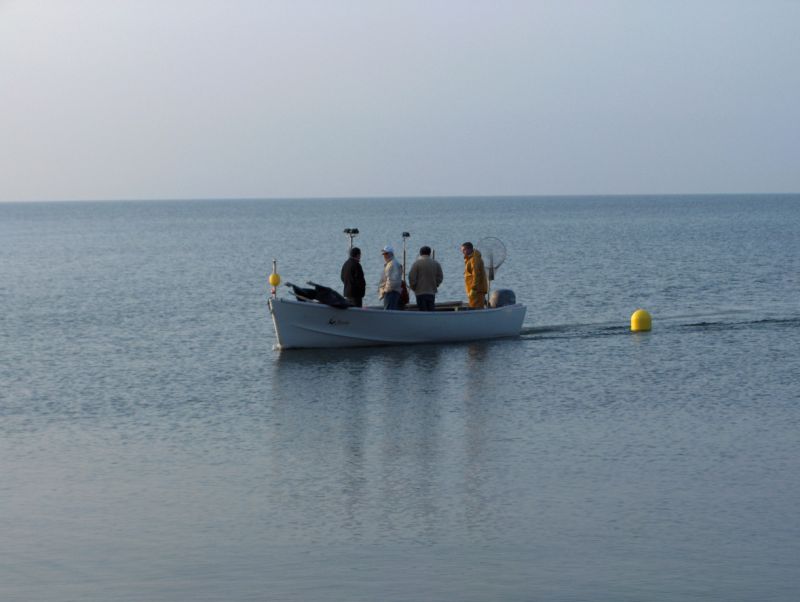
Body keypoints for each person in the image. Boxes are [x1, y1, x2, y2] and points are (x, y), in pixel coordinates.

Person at [408, 245, 443, 311]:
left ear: (420, 253)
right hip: (431, 292)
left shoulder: (416, 264)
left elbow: (411, 278)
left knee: (423, 312)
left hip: (420, 292)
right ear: (430, 253)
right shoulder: (436, 263)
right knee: (431, 311)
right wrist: (436, 284)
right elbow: (440, 277)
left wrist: (414, 288)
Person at [461, 241, 487, 308]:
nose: (462, 252)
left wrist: (474, 289)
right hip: (474, 291)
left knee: (476, 308)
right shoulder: (470, 259)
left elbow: (476, 275)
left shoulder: (474, 260)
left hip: (476, 291)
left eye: (463, 250)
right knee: (475, 306)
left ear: (469, 249)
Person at [378, 245, 403, 310]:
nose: (384, 256)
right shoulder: (390, 263)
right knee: (390, 310)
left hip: (391, 292)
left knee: (388, 311)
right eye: (383, 254)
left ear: (391, 254)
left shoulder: (392, 264)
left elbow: (393, 282)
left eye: (386, 253)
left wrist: (384, 291)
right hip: (391, 292)